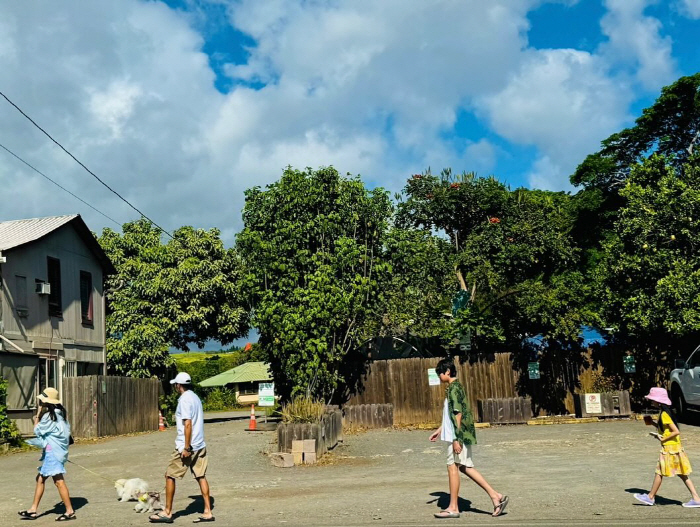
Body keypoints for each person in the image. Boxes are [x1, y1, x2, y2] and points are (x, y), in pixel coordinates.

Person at [429, 358, 508, 518]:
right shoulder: (456, 387)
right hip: (458, 434)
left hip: (458, 436)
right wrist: (440, 429)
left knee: (453, 467)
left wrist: (456, 439)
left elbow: (458, 414)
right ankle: (495, 496)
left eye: (440, 373)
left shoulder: (453, 389)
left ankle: (453, 508)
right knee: (464, 467)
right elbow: (452, 414)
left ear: (448, 372)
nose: (439, 377)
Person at [150, 372, 214, 523]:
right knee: (201, 476)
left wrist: (186, 447)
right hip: (200, 444)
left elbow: (188, 424)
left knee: (170, 475)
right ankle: (208, 511)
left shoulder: (184, 400)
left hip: (188, 446)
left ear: (178, 385)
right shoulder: (195, 397)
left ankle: (167, 512)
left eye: (175, 385)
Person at [634, 387, 700, 507]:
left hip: (670, 448)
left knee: (659, 471)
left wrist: (662, 438)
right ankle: (696, 498)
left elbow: (675, 431)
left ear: (658, 401)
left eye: (652, 399)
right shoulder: (665, 412)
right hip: (675, 447)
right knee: (682, 474)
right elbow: (668, 430)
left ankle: (650, 497)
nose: (651, 402)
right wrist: (653, 424)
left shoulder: (664, 414)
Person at [18, 387, 76, 521]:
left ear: (46, 402)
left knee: (58, 481)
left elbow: (37, 430)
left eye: (42, 401)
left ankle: (69, 511)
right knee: (40, 479)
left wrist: (37, 414)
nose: (40, 403)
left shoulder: (50, 416)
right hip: (56, 452)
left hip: (53, 453)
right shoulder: (60, 414)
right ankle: (33, 509)